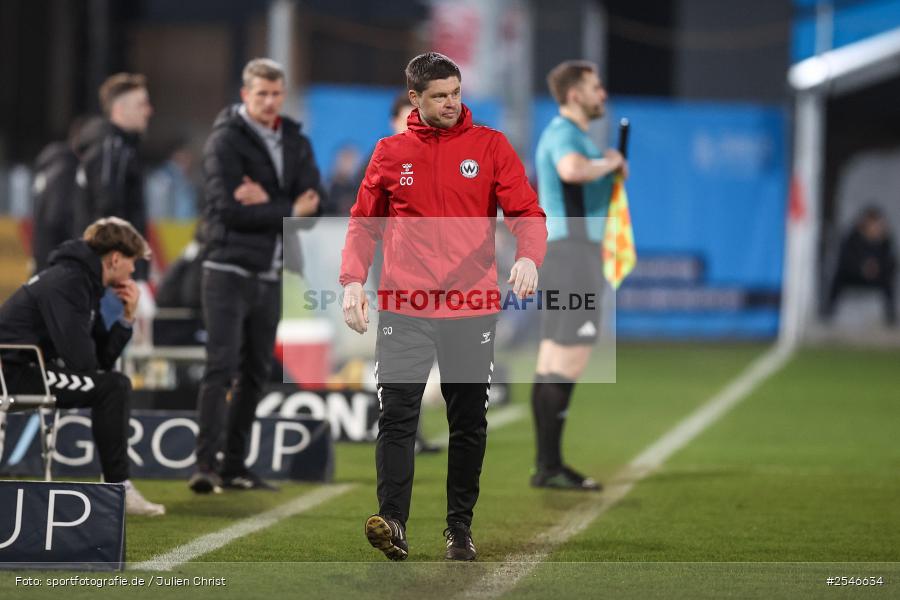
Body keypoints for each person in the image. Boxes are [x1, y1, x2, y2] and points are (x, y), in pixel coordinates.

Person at [340, 52, 546, 561]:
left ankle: (459, 528)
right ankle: (393, 521)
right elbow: (363, 224)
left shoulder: (491, 146)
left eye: (456, 93)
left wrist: (529, 258)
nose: (452, 103)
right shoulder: (390, 153)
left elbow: (527, 212)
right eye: (440, 96)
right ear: (415, 98)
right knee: (398, 417)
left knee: (469, 421)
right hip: (405, 308)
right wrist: (350, 282)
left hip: (471, 307)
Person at [189, 58, 324, 494]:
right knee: (221, 367)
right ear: (245, 95)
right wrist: (286, 208)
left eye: (276, 93)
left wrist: (268, 201)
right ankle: (205, 466)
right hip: (227, 269)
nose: (269, 101)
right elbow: (226, 210)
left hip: (271, 271)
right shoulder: (225, 140)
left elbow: (313, 207)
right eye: (261, 93)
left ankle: (234, 464)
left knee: (255, 373)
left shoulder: (296, 140)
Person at [0, 217, 165, 516]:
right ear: (115, 258)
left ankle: (119, 486)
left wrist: (127, 319)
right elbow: (84, 363)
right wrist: (94, 365)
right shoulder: (69, 282)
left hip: (27, 369)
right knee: (114, 386)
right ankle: (119, 488)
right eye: (133, 262)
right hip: (10, 373)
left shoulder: (84, 284)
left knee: (112, 384)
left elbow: (99, 360)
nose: (133, 271)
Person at [530, 60, 628, 491]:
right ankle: (549, 467)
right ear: (575, 94)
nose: (602, 93)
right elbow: (571, 170)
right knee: (567, 359)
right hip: (572, 257)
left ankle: (547, 465)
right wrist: (610, 163)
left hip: (563, 255)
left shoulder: (570, 134)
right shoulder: (565, 134)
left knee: (553, 358)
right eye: (595, 86)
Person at [74, 73, 153, 241]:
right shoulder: (110, 148)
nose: (149, 111)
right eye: (142, 104)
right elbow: (106, 215)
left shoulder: (123, 148)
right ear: (119, 109)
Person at [30, 116, 98, 273]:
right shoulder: (67, 169)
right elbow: (59, 217)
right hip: (57, 262)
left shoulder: (51, 164)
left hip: (43, 256)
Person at [824, 206, 897, 325]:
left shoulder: (885, 241)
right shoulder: (853, 237)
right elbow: (845, 260)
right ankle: (829, 312)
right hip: (855, 275)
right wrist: (862, 268)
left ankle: (890, 317)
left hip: (877, 277)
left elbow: (891, 263)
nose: (873, 228)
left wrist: (877, 269)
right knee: (838, 277)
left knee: (888, 282)